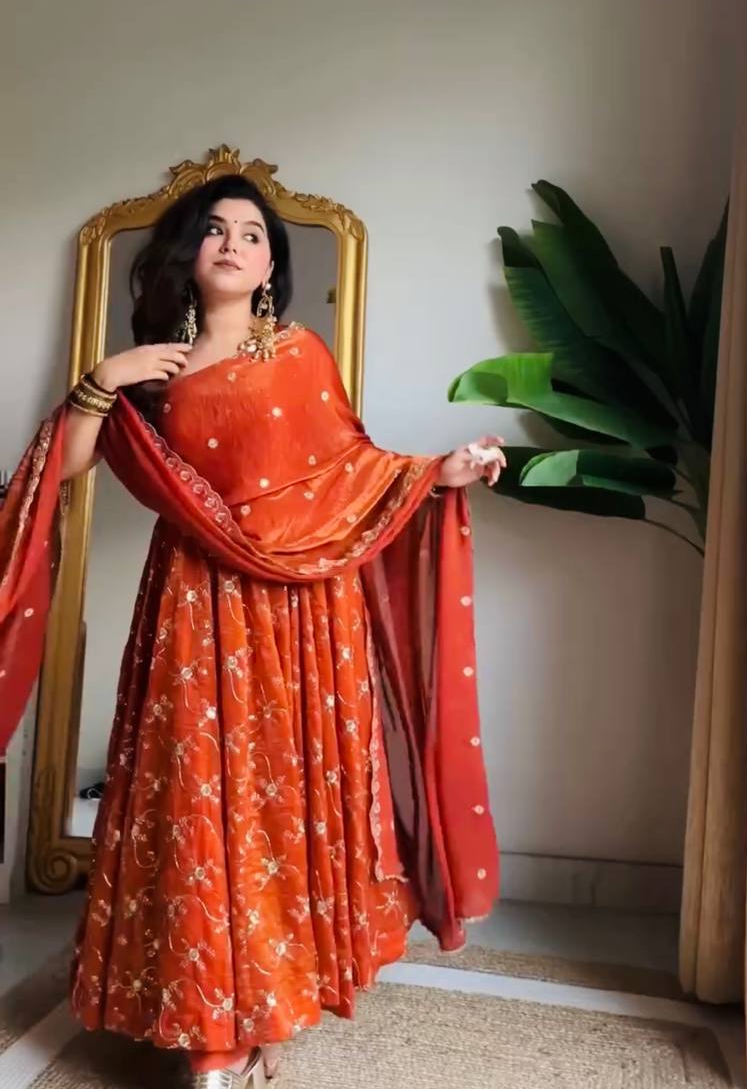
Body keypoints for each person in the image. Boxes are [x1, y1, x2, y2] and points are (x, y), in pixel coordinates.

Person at [0, 174, 503, 1088]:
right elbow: (66, 470)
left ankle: (270, 997)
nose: (233, 243)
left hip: (304, 610)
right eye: (215, 230)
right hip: (193, 606)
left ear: (272, 264)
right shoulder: (152, 372)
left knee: (282, 802)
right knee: (201, 807)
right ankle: (209, 1029)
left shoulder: (301, 351)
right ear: (188, 253)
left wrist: (441, 472)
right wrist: (101, 380)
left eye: (252, 234)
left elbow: (350, 467)